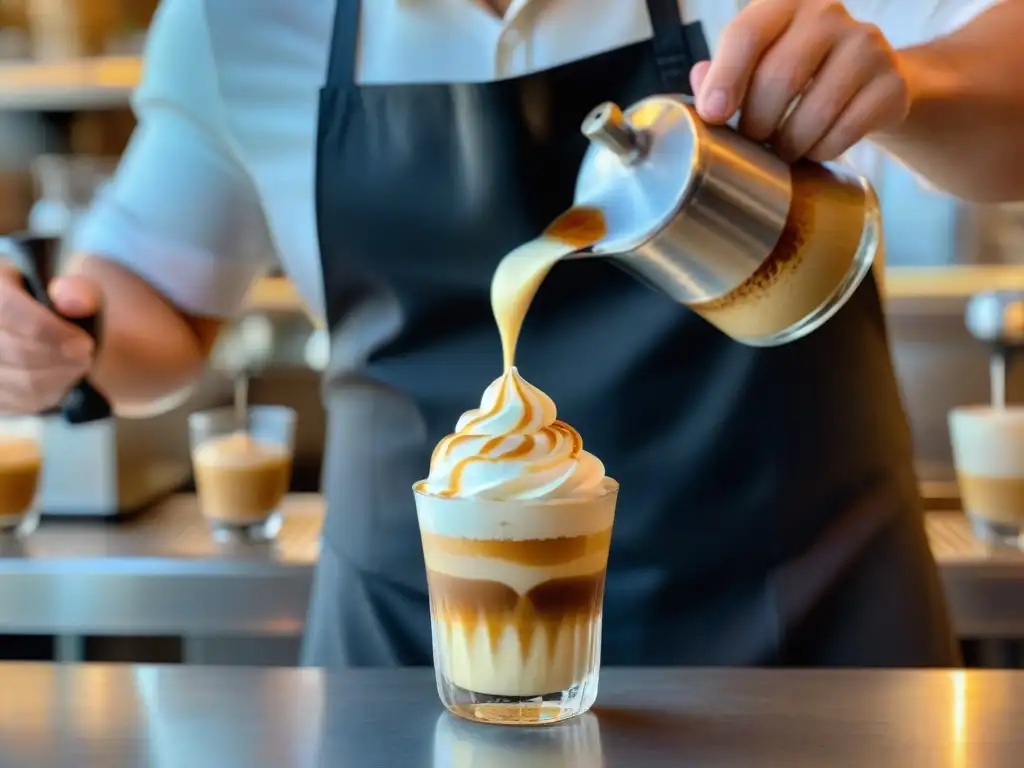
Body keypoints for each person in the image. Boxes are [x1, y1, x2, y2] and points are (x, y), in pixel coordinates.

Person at [3, 0, 1021, 667]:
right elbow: (152, 294)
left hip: (796, 622)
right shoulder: (243, 20)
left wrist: (903, 81)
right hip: (417, 647)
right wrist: (59, 334)